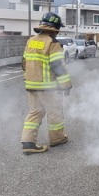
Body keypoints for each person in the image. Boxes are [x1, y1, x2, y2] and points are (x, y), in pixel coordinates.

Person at [20, 12, 72, 154]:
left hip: (31, 84)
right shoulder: (52, 43)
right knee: (55, 112)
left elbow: (24, 63)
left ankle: (28, 143)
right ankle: (57, 138)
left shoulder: (30, 41)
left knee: (35, 112)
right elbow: (58, 66)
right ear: (55, 29)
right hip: (47, 87)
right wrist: (66, 85)